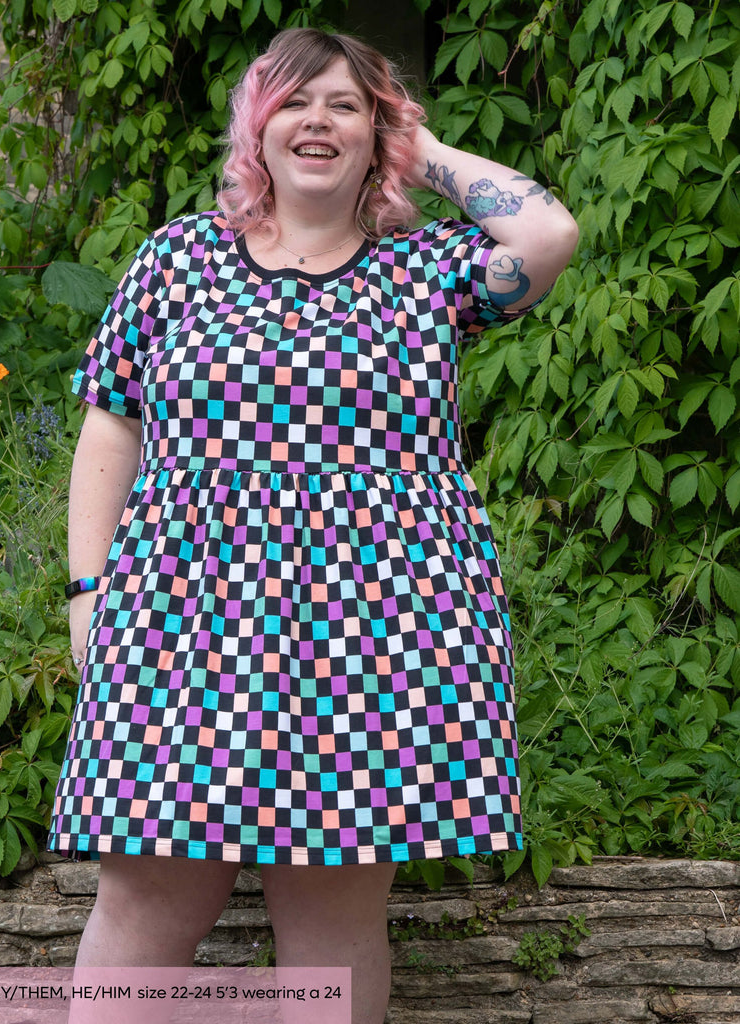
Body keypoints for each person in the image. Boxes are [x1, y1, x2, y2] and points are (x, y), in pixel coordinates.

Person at [48, 25, 578, 1024]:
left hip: (375, 635)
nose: (319, 121)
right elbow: (109, 421)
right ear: (258, 125)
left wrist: (411, 144)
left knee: (331, 912)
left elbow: (547, 237)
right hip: (182, 623)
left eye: (346, 104)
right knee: (151, 894)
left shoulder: (426, 272)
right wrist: (88, 590)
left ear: (380, 133)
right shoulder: (178, 262)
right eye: (294, 101)